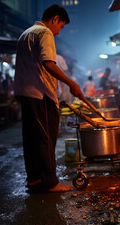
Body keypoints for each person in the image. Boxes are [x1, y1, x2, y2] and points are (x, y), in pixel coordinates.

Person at [14, 4, 83, 193]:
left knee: (31, 138)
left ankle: (34, 178)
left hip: (25, 93)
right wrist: (72, 83)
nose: (59, 32)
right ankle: (50, 182)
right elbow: (48, 63)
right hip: (40, 94)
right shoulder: (44, 33)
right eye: (61, 26)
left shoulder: (26, 33)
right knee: (46, 138)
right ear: (54, 19)